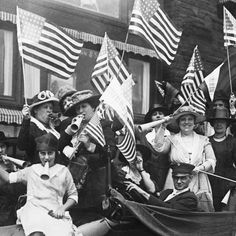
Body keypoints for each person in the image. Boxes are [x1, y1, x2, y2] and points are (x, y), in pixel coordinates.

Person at [0, 133, 78, 236]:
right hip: (33, 211)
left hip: (54, 211)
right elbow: (8, 178)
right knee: (36, 233)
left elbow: (74, 195)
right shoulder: (32, 169)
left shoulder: (63, 171)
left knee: (63, 233)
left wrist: (62, 208)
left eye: (50, 153)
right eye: (42, 153)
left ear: (55, 153)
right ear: (39, 153)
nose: (46, 157)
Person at [59, 90, 117, 226]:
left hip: (94, 183)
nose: (80, 111)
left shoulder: (103, 125)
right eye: (78, 108)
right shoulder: (73, 125)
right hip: (73, 182)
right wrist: (69, 132)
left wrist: (90, 145)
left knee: (93, 222)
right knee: (73, 221)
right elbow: (59, 146)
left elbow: (110, 152)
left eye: (84, 106)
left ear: (93, 107)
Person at [152, 105, 216, 212]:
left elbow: (211, 160)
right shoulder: (171, 139)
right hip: (177, 179)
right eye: (183, 119)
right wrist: (162, 127)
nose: (187, 122)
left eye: (190, 119)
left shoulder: (203, 140)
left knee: (200, 211)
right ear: (178, 122)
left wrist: (201, 168)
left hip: (198, 180)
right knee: (173, 211)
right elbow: (159, 148)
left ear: (194, 122)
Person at [124, 163, 198, 211]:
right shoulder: (167, 192)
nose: (178, 181)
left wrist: (142, 192)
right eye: (176, 178)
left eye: (183, 178)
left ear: (190, 178)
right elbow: (153, 200)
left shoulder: (190, 198)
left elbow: (169, 209)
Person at [17, 90, 60, 164]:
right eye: (45, 107)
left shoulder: (52, 128)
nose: (49, 111)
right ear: (36, 110)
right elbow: (22, 145)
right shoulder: (32, 126)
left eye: (51, 108)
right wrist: (26, 120)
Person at [135, 104, 170, 191]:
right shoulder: (144, 134)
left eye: (160, 113)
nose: (158, 116)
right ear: (151, 118)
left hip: (163, 171)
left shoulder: (170, 135)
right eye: (155, 114)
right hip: (146, 170)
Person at [207, 107, 236, 211]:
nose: (219, 125)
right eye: (216, 122)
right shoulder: (206, 141)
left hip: (228, 182)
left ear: (227, 124)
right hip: (210, 182)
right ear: (212, 124)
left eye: (222, 122)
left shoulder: (233, 141)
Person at [0, 131, 26, 226]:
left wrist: (13, 169)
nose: (0, 150)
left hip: (13, 211)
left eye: (2, 146)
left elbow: (22, 187)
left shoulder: (11, 164)